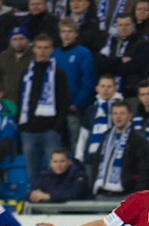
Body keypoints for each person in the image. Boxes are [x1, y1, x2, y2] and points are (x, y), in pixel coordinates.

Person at [19, 34, 71, 184]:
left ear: (51, 49)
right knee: (32, 175)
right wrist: (22, 127)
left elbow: (63, 103)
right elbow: (20, 99)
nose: (42, 51)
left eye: (46, 48)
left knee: (55, 174)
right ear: (34, 49)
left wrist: (56, 129)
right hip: (28, 132)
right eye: (39, 47)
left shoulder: (58, 73)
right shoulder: (26, 73)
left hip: (50, 132)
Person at [91, 100, 149, 197]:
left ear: (130, 116)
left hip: (126, 194)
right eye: (115, 113)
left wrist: (137, 193)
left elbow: (145, 170)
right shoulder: (106, 137)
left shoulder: (138, 140)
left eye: (122, 113)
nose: (118, 116)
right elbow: (96, 164)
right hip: (103, 192)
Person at [52, 18, 96, 150]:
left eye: (70, 31)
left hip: (75, 109)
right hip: (57, 109)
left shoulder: (83, 53)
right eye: (63, 31)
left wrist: (77, 103)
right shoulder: (54, 54)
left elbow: (88, 80)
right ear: (59, 33)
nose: (66, 34)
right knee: (57, 146)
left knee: (76, 145)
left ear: (76, 33)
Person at [98, 13, 149, 99]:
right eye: (120, 25)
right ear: (116, 26)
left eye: (127, 25)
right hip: (110, 92)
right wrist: (119, 60)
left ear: (133, 26)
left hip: (132, 92)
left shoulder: (142, 44)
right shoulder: (110, 42)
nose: (123, 28)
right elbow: (100, 63)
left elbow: (134, 66)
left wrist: (110, 67)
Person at [76, 74, 124, 169]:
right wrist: (79, 156)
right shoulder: (91, 110)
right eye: (103, 86)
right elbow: (83, 135)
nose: (105, 89)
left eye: (109, 86)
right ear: (97, 88)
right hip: (91, 157)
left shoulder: (121, 109)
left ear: (115, 89)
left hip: (112, 156)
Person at [25, 147, 90, 202]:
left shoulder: (78, 175)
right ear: (50, 163)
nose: (58, 165)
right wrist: (33, 195)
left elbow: (75, 194)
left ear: (69, 162)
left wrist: (48, 196)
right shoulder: (46, 176)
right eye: (55, 162)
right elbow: (29, 193)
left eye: (62, 161)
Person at [0, 26, 32, 107]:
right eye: (15, 39)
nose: (18, 42)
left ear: (27, 39)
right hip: (7, 102)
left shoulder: (34, 57)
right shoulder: (3, 56)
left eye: (21, 38)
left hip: (27, 102)